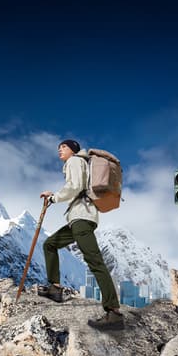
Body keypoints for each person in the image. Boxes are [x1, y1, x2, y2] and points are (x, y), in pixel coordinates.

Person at [39, 139, 124, 328]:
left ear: (73, 150)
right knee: (50, 244)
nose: (59, 150)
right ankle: (55, 288)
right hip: (78, 219)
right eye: (59, 147)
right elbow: (76, 187)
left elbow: (75, 186)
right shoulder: (79, 163)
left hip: (82, 219)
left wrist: (54, 197)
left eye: (64, 147)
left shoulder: (75, 161)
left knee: (95, 262)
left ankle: (114, 312)